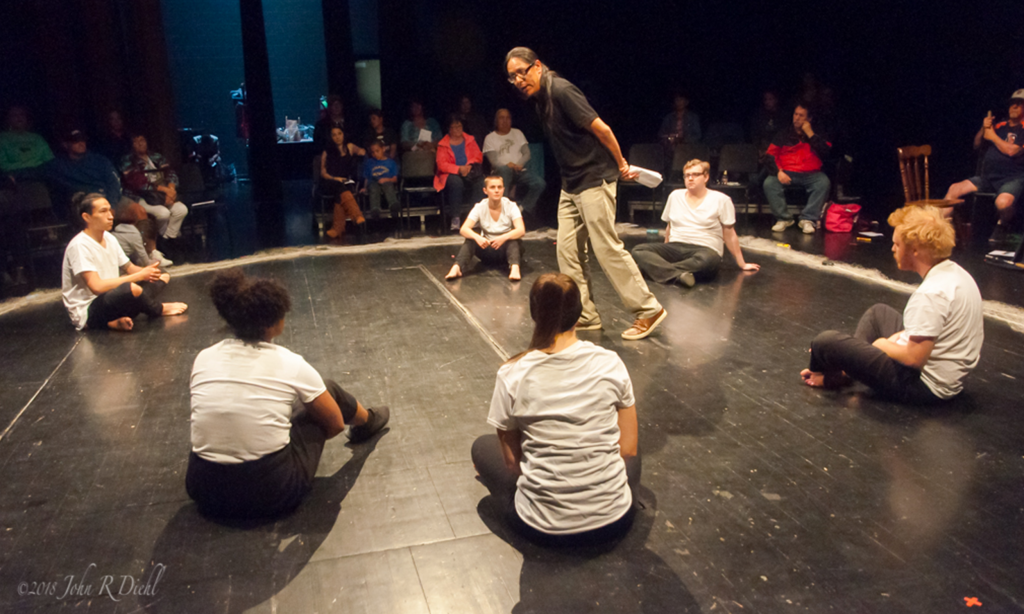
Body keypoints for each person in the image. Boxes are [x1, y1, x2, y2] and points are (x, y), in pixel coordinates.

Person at [186, 268, 390, 519]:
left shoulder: (203, 358)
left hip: (204, 489)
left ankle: (365, 419)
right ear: (273, 324)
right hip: (270, 493)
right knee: (327, 391)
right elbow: (336, 425)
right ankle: (367, 421)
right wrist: (297, 438)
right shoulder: (289, 363)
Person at [504, 46, 666, 340]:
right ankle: (586, 316)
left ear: (537, 66)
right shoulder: (540, 99)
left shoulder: (563, 91)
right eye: (512, 77)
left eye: (521, 72)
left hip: (594, 177)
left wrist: (621, 164)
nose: (518, 80)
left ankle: (648, 310)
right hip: (571, 184)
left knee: (606, 247)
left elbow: (602, 129)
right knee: (568, 252)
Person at [471, 273, 640, 546]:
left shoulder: (512, 373)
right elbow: (628, 449)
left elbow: (513, 464)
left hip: (543, 529)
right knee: (634, 444)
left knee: (481, 447)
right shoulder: (610, 362)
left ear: (534, 313)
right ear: (579, 313)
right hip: (614, 522)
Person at [801, 205, 983, 404]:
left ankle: (829, 374)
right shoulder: (957, 273)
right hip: (945, 376)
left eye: (897, 244)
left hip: (923, 387)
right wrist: (898, 339)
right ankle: (848, 369)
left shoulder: (931, 294)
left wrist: (881, 344)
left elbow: (914, 359)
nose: (892, 249)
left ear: (915, 250)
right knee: (878, 314)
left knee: (824, 342)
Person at [60, 192, 187, 332]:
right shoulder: (80, 245)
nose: (110, 216)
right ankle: (157, 309)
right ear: (87, 217)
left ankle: (112, 321)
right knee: (131, 289)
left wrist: (148, 272)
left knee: (162, 275)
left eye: (109, 210)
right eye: (103, 211)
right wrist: (136, 277)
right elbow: (96, 286)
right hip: (89, 309)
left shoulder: (109, 238)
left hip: (113, 296)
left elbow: (129, 267)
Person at [632, 159, 760, 287]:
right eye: (687, 175)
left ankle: (654, 270)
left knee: (708, 261)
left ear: (706, 177)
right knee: (639, 250)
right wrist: (666, 250)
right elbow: (669, 227)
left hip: (705, 249)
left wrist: (741, 263)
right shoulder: (675, 196)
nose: (690, 178)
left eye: (695, 174)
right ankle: (677, 275)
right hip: (676, 246)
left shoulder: (721, 199)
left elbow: (729, 234)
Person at [51, 129, 163, 267]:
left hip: (109, 198)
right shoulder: (58, 165)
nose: (81, 143)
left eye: (82, 140)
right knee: (93, 218)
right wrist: (15, 176)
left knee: (138, 211)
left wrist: (112, 205)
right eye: (75, 141)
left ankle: (148, 255)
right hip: (85, 203)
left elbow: (114, 183)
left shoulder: (99, 160)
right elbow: (34, 172)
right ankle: (104, 261)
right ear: (65, 144)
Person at [944, 90, 1024, 242]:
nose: (1014, 107)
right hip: (988, 178)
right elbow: (977, 144)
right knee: (954, 189)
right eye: (1012, 103)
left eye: (1019, 104)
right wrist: (984, 129)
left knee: (1003, 203)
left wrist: (992, 136)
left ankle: (1003, 227)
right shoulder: (999, 126)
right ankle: (942, 231)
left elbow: (1012, 151)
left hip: (1013, 178)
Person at [764, 103, 832, 234]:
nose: (797, 118)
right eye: (795, 114)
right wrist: (779, 171)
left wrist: (810, 133)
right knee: (769, 183)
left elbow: (826, 151)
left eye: (801, 116)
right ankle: (784, 219)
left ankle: (808, 219)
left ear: (809, 119)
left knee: (823, 182)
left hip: (811, 174)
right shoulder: (783, 134)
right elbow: (770, 155)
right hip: (786, 172)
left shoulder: (817, 134)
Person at [446, 175, 525, 281]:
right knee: (471, 238)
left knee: (513, 241)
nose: (496, 190)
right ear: (485, 190)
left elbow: (521, 230)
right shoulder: (480, 207)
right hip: (487, 249)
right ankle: (457, 267)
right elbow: (464, 229)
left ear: (503, 190)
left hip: (506, 252)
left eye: (499, 187)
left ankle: (515, 268)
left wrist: (503, 238)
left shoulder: (511, 206)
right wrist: (478, 237)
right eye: (492, 187)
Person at [119, 134, 189, 256]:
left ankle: (167, 240)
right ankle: (161, 246)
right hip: (140, 197)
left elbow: (170, 173)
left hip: (162, 196)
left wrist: (171, 190)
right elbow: (137, 183)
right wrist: (164, 190)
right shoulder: (127, 161)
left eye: (142, 140)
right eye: (136, 142)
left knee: (181, 209)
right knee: (163, 213)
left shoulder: (156, 157)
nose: (140, 144)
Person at [482, 108, 546, 217]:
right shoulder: (490, 138)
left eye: (507, 118)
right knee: (505, 170)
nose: (505, 120)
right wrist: (507, 165)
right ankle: (503, 211)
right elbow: (493, 161)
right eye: (502, 118)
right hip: (500, 172)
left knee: (539, 183)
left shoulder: (518, 133)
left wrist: (519, 164)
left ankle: (521, 209)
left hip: (519, 171)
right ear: (496, 121)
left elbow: (527, 153)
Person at [434, 115, 483, 230]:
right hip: (450, 174)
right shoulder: (443, 144)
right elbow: (441, 165)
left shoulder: (470, 139)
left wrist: (468, 166)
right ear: (449, 129)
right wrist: (458, 169)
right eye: (454, 127)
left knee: (481, 183)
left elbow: (478, 156)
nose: (457, 129)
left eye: (459, 126)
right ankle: (455, 218)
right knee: (456, 183)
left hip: (469, 171)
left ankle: (473, 218)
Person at [320, 126, 366, 241]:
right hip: (330, 181)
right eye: (334, 135)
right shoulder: (326, 152)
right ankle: (356, 215)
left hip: (346, 181)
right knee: (340, 187)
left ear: (343, 134)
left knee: (340, 192)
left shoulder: (350, 147)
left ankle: (337, 228)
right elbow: (323, 172)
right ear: (331, 137)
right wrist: (335, 178)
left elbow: (363, 152)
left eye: (339, 133)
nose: (337, 137)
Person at [0, 105, 54, 178]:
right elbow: (3, 165)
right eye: (14, 115)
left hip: (41, 173)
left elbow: (49, 159)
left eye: (21, 114)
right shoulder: (3, 138)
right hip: (16, 175)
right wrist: (31, 165)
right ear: (8, 119)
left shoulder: (37, 138)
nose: (19, 117)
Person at [361, 141, 400, 219]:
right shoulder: (369, 162)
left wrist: (386, 179)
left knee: (388, 186)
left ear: (383, 149)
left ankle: (393, 205)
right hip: (373, 181)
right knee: (373, 188)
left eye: (377, 151)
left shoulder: (391, 162)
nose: (375, 154)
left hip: (387, 181)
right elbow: (367, 177)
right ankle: (375, 209)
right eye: (373, 152)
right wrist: (364, 187)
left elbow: (395, 179)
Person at [749, 91, 785, 159]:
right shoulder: (759, 116)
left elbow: (783, 135)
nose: (767, 102)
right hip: (762, 148)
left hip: (778, 149)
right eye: (765, 100)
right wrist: (758, 148)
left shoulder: (782, 116)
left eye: (770, 99)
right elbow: (755, 135)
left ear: (776, 100)